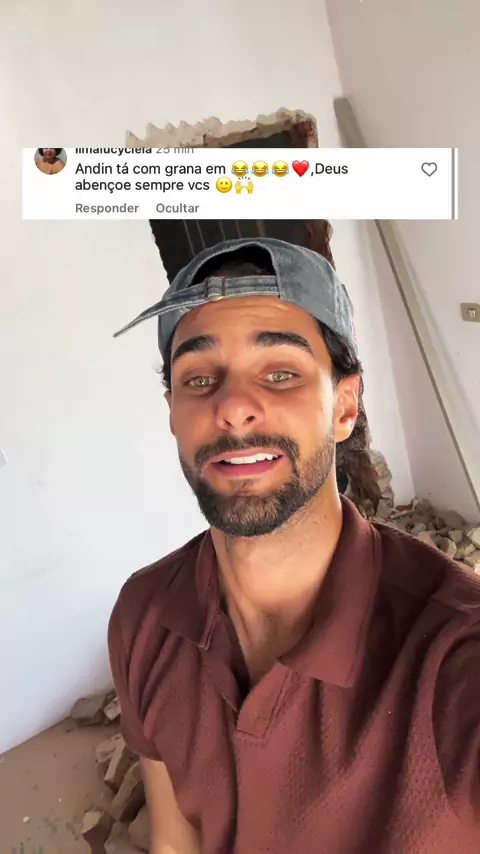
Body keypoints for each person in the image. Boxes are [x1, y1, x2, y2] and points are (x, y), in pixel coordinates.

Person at [108, 238, 480, 854]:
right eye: (199, 378)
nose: (233, 407)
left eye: (280, 373)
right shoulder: (144, 616)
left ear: (344, 405)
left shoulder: (452, 654)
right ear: (173, 413)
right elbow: (176, 842)